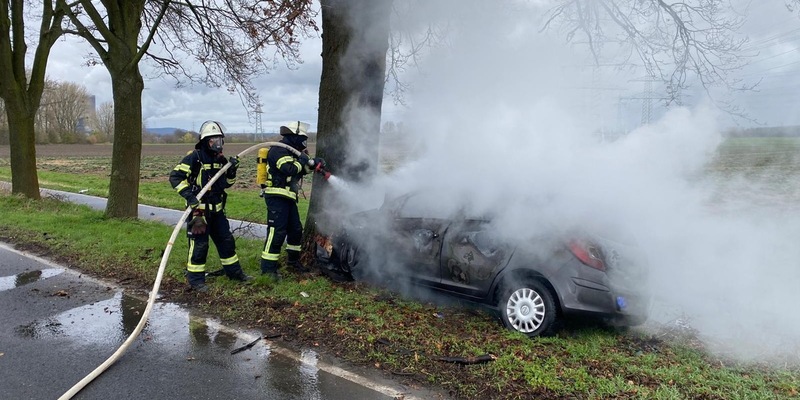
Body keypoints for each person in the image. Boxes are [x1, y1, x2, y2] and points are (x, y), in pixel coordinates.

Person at [169, 120, 252, 292]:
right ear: (205, 142)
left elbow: (228, 184)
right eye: (213, 141)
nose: (217, 144)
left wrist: (231, 171)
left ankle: (235, 273)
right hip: (199, 212)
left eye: (220, 140)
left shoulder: (221, 160)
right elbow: (175, 177)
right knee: (200, 245)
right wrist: (189, 196)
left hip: (218, 211)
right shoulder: (195, 157)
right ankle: (196, 280)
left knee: (226, 242)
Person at [260, 121, 322, 280]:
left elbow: (300, 171)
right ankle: (268, 270)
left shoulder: (293, 153)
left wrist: (314, 164)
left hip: (289, 197)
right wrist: (303, 160)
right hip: (276, 196)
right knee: (276, 232)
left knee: (295, 230)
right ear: (293, 137)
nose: (304, 142)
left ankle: (293, 262)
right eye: (302, 138)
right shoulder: (277, 150)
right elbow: (289, 168)